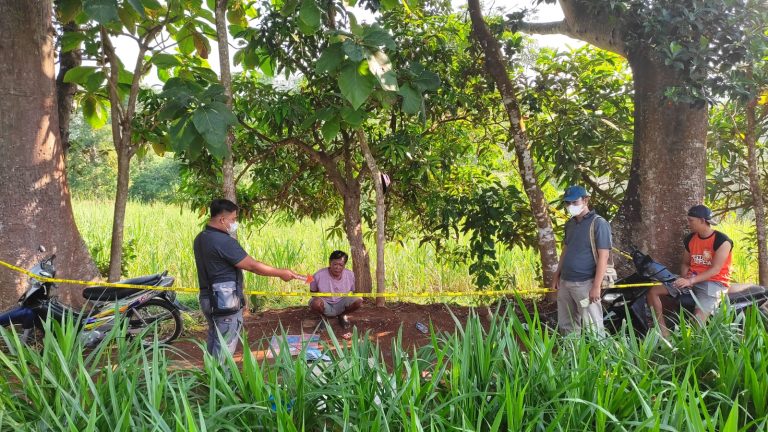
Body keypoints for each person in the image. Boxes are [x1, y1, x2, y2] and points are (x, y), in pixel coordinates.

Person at [193, 198, 302, 361]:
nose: (235, 223)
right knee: (224, 350)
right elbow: (253, 266)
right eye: (233, 219)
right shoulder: (223, 241)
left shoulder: (201, 237)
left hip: (207, 299)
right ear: (222, 219)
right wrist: (281, 272)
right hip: (225, 302)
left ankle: (211, 379)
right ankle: (221, 383)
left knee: (215, 341)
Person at [646, 204, 733, 337]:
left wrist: (692, 280)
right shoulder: (691, 239)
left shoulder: (722, 241)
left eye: (691, 220)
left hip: (714, 282)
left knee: (698, 320)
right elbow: (685, 263)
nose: (688, 223)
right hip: (691, 279)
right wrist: (685, 278)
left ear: (703, 221)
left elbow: (715, 269)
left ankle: (694, 348)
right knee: (653, 291)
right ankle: (663, 332)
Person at [551, 185, 612, 335]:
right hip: (565, 284)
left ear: (585, 200)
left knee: (593, 326)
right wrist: (557, 275)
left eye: (574, 202)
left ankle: (601, 357)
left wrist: (596, 286)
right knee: (567, 325)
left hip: (585, 286)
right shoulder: (570, 224)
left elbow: (604, 256)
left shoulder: (599, 223)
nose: (570, 206)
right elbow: (566, 250)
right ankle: (573, 357)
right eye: (567, 203)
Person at [309, 250, 362, 329]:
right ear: (330, 263)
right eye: (335, 264)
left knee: (359, 300)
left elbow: (352, 291)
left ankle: (342, 315)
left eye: (341, 265)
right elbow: (313, 293)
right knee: (315, 302)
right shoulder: (318, 275)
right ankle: (323, 318)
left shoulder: (350, 275)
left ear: (344, 265)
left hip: (341, 302)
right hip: (325, 303)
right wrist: (321, 300)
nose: (337, 267)